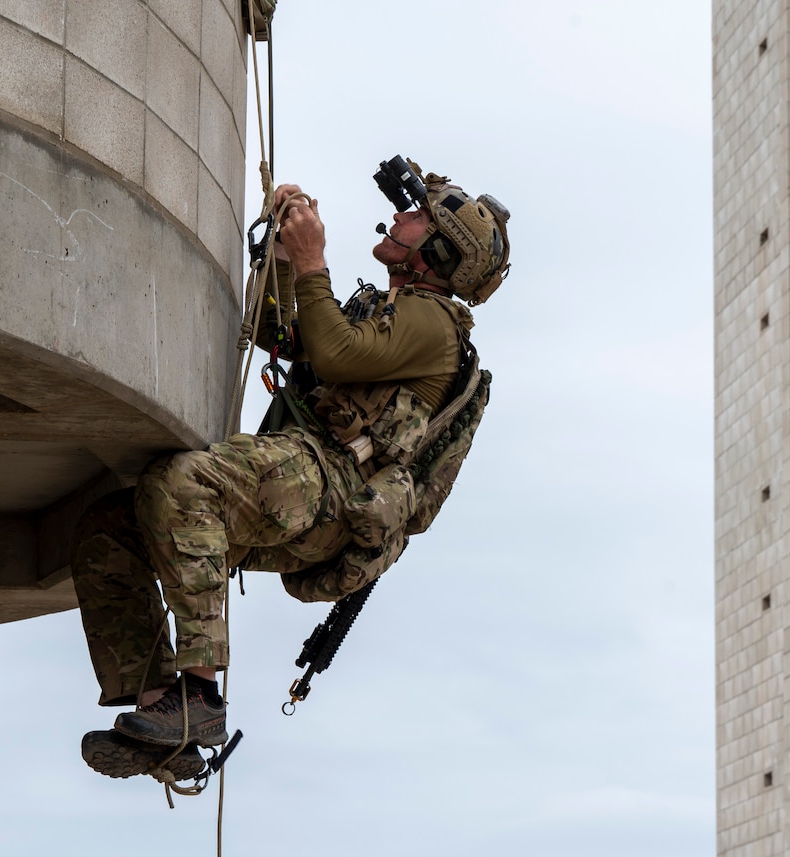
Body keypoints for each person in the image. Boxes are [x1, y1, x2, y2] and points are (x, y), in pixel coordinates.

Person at [72, 157, 512, 782]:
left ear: (436, 252)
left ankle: (198, 696)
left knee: (183, 482)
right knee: (109, 529)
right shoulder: (385, 309)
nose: (399, 215)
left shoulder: (432, 321)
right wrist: (284, 252)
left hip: (331, 485)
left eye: (415, 217)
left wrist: (311, 258)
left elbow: (332, 354)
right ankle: (157, 709)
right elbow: (275, 329)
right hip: (304, 484)